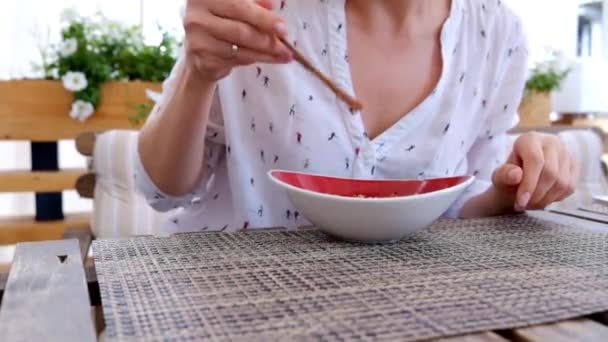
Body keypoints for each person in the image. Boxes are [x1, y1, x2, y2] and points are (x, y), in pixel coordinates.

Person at [135, 0, 578, 234]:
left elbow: (462, 198)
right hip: (230, 312)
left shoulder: (497, 31)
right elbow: (161, 190)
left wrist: (513, 187)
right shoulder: (260, 13)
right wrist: (197, 74)